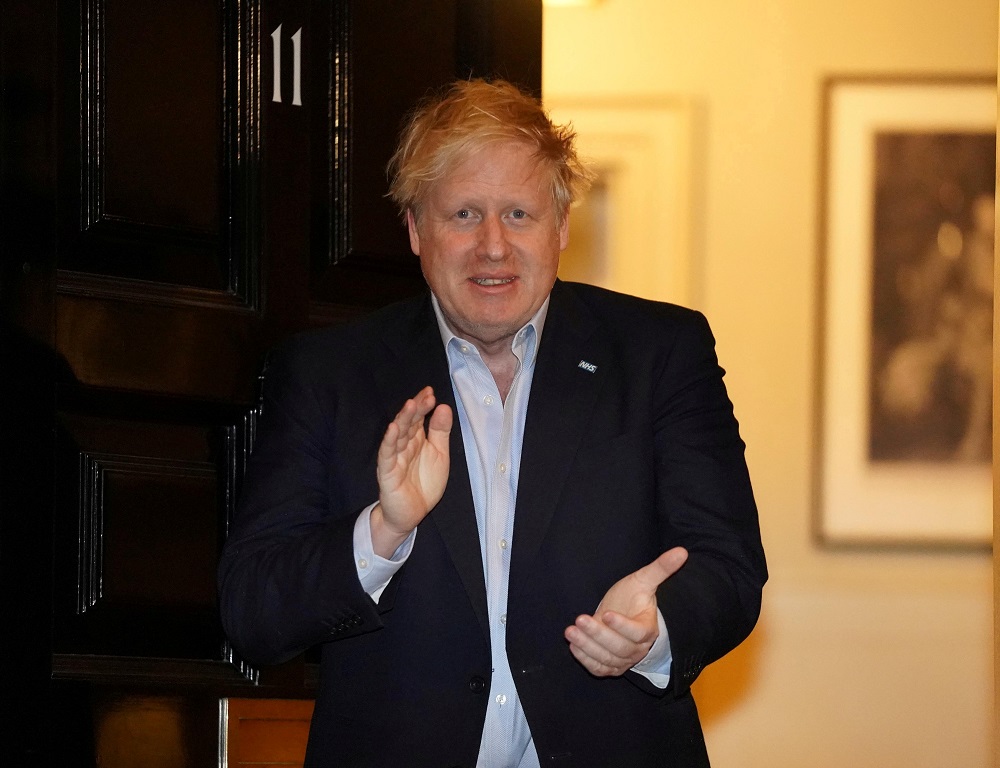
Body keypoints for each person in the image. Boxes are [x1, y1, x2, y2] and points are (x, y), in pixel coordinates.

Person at [218, 78, 766, 768]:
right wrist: (382, 531)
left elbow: (730, 565)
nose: (494, 247)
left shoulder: (660, 353)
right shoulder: (331, 373)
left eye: (519, 214)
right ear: (415, 229)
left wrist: (655, 632)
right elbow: (253, 613)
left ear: (562, 225)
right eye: (464, 215)